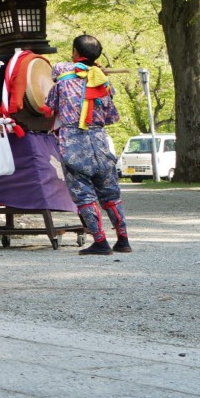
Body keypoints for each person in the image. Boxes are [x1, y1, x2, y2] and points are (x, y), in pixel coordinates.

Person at [51, 35, 130, 255]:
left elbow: (49, 105)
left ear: (75, 51)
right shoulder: (103, 82)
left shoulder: (63, 80)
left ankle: (100, 241)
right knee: (111, 194)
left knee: (84, 194)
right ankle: (123, 240)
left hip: (73, 142)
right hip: (100, 141)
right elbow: (112, 117)